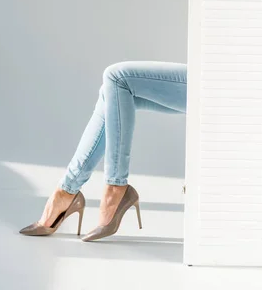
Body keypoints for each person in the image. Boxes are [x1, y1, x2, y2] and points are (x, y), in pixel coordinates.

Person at [20, 60, 187, 241]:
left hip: (218, 79)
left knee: (116, 77)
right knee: (110, 92)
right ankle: (67, 190)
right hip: (213, 71)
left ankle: (113, 187)